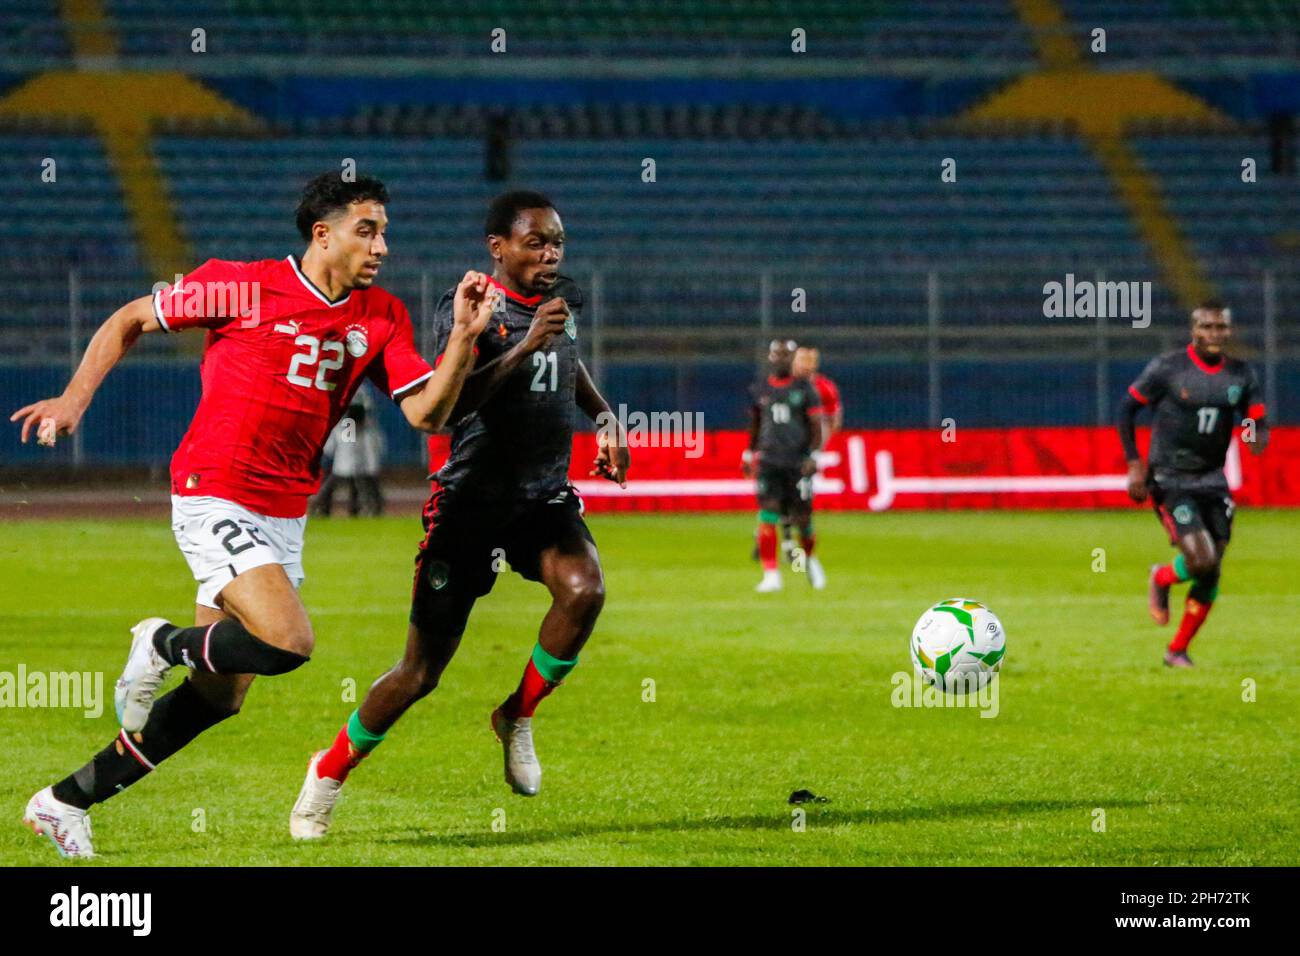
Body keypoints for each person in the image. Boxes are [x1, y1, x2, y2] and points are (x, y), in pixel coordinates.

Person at [10, 172, 498, 858]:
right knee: (287, 643)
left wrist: (463, 343)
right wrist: (72, 400)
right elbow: (130, 318)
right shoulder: (241, 286)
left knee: (219, 698)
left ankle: (65, 801)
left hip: (283, 511)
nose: (382, 244)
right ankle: (160, 644)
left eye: (385, 230)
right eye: (368, 229)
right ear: (322, 234)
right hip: (214, 489)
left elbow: (427, 413)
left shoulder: (381, 314)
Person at [290, 190, 630, 839]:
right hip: (471, 505)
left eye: (557, 240)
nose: (550, 252)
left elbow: (569, 362)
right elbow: (457, 403)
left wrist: (606, 418)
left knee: (585, 590)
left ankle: (517, 715)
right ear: (498, 247)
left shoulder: (562, 304)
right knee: (420, 673)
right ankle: (329, 771)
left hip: (542, 498)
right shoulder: (471, 306)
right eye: (536, 241)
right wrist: (525, 344)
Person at [1118, 301, 1269, 667]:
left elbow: (1255, 419)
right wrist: (1135, 466)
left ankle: (1177, 651)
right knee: (1201, 559)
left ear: (1228, 331)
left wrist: (1253, 435)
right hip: (1170, 478)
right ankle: (1163, 576)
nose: (1215, 334)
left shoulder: (1241, 374)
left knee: (1212, 568)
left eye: (1221, 328)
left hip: (1213, 480)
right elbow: (1127, 408)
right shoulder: (1168, 368)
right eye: (1207, 327)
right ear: (1194, 330)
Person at [743, 338, 828, 593]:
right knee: (767, 514)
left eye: (785, 355)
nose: (780, 359)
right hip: (769, 461)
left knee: (803, 519)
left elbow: (816, 427)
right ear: (770, 357)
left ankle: (809, 560)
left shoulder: (805, 389)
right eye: (776, 355)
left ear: (792, 359)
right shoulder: (760, 389)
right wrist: (749, 453)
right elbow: (756, 424)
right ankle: (771, 575)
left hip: (797, 462)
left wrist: (814, 455)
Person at [313, 387, 386, 517]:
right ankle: (322, 507)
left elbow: (365, 408)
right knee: (346, 470)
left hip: (354, 425)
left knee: (356, 476)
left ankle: (357, 509)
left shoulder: (361, 391)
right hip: (348, 422)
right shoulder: (350, 421)